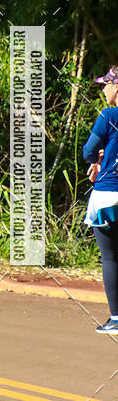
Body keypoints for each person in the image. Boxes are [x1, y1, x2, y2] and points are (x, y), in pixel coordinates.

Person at [83, 65, 118, 333]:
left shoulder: (109, 115)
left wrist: (95, 161)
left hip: (108, 195)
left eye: (106, 84)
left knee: (110, 257)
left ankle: (116, 319)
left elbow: (88, 150)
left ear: (117, 87)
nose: (104, 89)